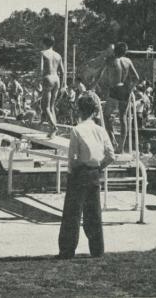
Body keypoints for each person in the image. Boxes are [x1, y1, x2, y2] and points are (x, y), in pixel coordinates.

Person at [58, 93, 115, 259]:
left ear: (79, 111)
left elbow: (73, 157)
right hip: (94, 173)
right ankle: (97, 249)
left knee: (72, 214)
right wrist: (99, 167)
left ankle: (67, 250)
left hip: (79, 173)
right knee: (94, 214)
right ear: (94, 111)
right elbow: (111, 155)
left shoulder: (77, 130)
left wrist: (72, 171)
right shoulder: (100, 130)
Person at [93, 42, 139, 153]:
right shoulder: (128, 61)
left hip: (114, 89)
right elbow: (136, 78)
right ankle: (121, 147)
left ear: (115, 51)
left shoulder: (110, 60)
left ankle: (113, 140)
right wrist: (130, 89)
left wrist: (93, 85)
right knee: (123, 118)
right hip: (125, 90)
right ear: (125, 51)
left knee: (105, 115)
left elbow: (99, 74)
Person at [40, 35, 65, 137]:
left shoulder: (43, 53)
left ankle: (53, 126)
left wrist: (38, 80)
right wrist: (63, 85)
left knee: (45, 107)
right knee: (52, 106)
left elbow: (41, 69)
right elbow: (63, 72)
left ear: (44, 43)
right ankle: (53, 133)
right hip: (57, 80)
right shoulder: (58, 55)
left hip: (48, 78)